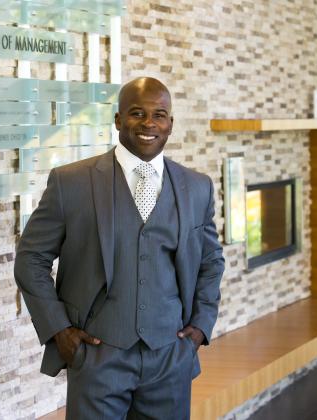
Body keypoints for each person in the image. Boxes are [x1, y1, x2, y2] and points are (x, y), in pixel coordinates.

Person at [14, 77, 224, 419]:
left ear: (171, 123)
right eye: (137, 113)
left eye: (159, 115)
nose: (149, 123)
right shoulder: (72, 183)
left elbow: (211, 261)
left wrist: (200, 327)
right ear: (118, 120)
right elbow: (30, 260)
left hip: (170, 357)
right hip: (97, 357)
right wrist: (59, 330)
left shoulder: (197, 187)